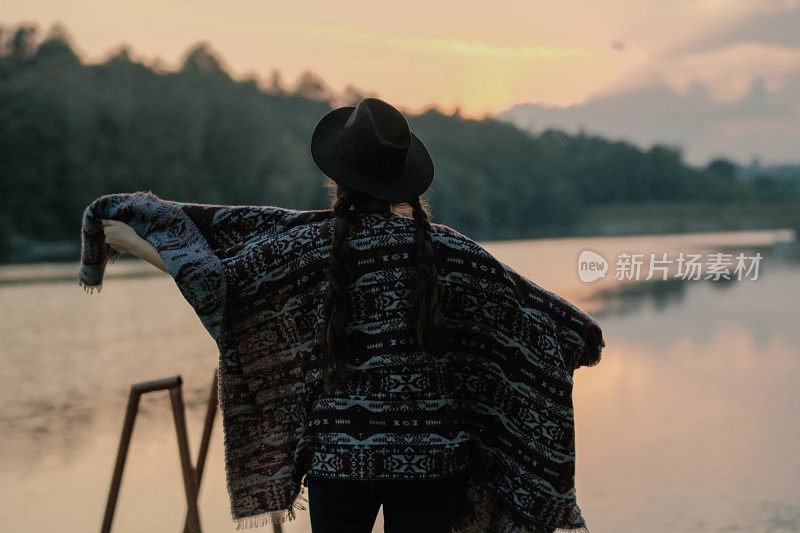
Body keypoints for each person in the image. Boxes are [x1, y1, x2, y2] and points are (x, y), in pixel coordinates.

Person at [88, 97, 604, 533]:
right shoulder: (453, 252)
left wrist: (133, 240)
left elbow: (218, 281)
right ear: (408, 182)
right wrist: (578, 336)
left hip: (339, 458)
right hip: (435, 460)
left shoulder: (307, 246)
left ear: (339, 178)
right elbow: (531, 309)